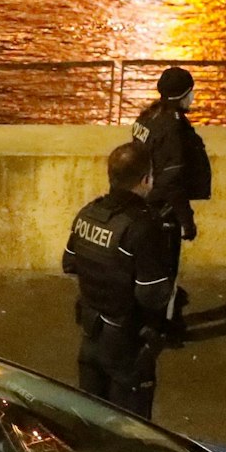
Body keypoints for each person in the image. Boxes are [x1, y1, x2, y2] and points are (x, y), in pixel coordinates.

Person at [63, 140, 178, 416]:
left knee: (93, 420)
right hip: (126, 344)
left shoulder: (89, 213)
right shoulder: (143, 225)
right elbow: (149, 294)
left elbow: (69, 263)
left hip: (90, 335)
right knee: (129, 429)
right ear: (146, 179)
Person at [132, 66, 212, 336]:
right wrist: (186, 220)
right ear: (183, 94)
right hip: (163, 210)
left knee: (146, 266)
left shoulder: (147, 117)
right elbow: (172, 180)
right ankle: (162, 326)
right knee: (166, 270)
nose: (193, 98)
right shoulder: (172, 127)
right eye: (191, 93)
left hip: (144, 202)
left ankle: (145, 318)